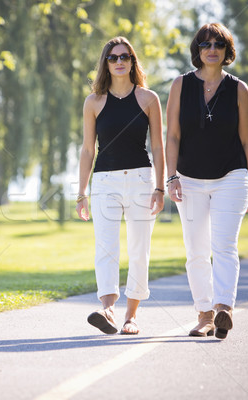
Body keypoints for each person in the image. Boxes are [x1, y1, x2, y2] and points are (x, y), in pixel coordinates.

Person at [165, 23, 248, 339]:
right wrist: (171, 176)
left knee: (225, 247)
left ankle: (223, 310)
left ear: (226, 50)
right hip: (189, 179)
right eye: (205, 44)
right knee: (196, 250)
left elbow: (247, 142)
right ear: (198, 51)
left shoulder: (239, 89)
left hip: (231, 177)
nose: (212, 49)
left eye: (218, 43)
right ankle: (204, 314)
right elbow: (172, 136)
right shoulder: (180, 85)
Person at [76, 37, 165, 335]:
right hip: (104, 182)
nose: (119, 62)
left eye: (125, 56)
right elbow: (88, 150)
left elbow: (158, 147)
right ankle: (108, 310)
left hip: (141, 179)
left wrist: (160, 187)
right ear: (105, 63)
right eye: (113, 58)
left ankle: (131, 316)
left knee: (139, 250)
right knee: (106, 248)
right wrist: (81, 193)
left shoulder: (149, 99)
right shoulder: (94, 102)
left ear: (132, 61)